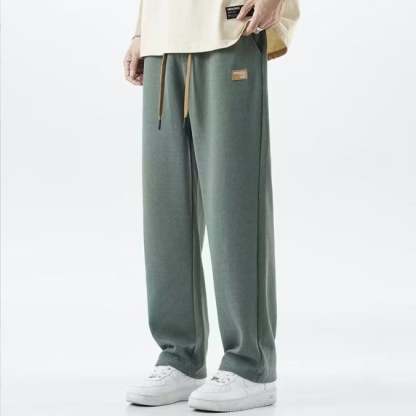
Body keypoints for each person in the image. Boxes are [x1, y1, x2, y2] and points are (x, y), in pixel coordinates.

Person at [123, 0, 299, 412]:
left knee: (234, 204)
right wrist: (141, 30)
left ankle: (251, 364)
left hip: (231, 25)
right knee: (166, 210)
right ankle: (179, 357)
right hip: (163, 41)